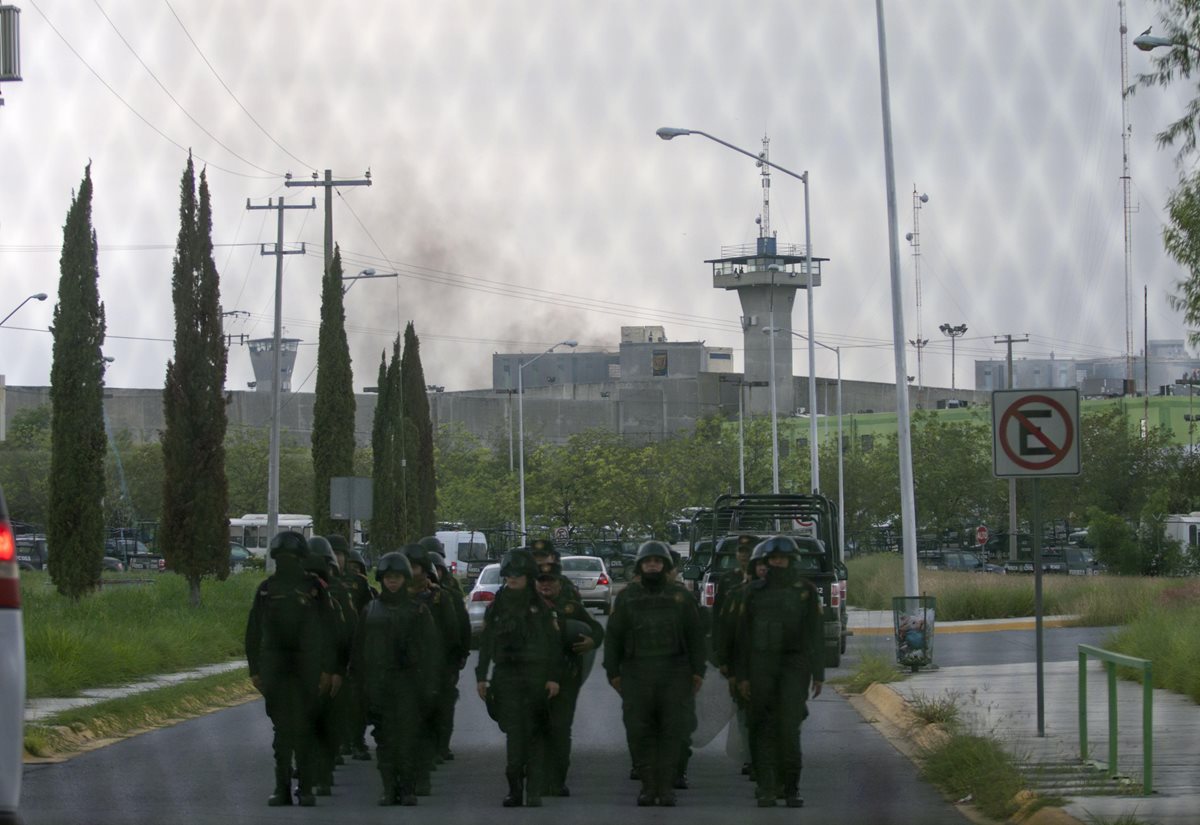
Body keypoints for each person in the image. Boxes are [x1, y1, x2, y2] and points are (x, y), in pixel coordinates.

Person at [603, 540, 706, 807]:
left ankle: (667, 786)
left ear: (665, 566)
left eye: (657, 562)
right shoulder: (627, 597)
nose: (652, 565)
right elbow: (613, 637)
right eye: (648, 562)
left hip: (675, 673)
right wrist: (613, 672)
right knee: (639, 732)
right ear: (640, 565)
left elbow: (695, 636)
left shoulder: (681, 597)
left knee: (674, 732)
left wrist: (698, 671)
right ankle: (649, 786)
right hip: (637, 674)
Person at [732, 536, 825, 808]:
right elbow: (742, 638)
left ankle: (791, 788)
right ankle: (766, 787)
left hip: (794, 667)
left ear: (792, 560)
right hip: (760, 667)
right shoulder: (753, 593)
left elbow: (815, 635)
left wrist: (818, 674)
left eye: (782, 558)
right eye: (773, 559)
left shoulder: (805, 591)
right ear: (765, 561)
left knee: (789, 729)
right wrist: (742, 676)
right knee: (761, 729)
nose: (778, 563)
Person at [244, 530, 334, 807]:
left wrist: (328, 670)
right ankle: (281, 788)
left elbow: (330, 632)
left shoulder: (315, 590)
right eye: (281, 558)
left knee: (305, 729)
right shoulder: (266, 590)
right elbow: (253, 634)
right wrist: (255, 670)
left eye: (291, 558)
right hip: (276, 670)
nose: (286, 563)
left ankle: (305, 788)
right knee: (282, 733)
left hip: (307, 668)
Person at [475, 549, 564, 807]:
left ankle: (534, 789)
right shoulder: (497, 607)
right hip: (506, 676)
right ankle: (515, 789)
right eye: (508, 575)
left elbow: (553, 646)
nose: (512, 579)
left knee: (535, 733)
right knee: (514, 734)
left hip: (535, 676)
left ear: (528, 576)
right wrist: (481, 676)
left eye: (518, 574)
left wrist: (553, 678)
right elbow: (487, 643)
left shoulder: (541, 608)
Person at [352, 551, 440, 806]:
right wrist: (359, 685)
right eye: (388, 578)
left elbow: (431, 651)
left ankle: (407, 787)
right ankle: (389, 787)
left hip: (409, 684)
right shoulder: (370, 610)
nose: (392, 582)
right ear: (381, 579)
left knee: (408, 739)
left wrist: (429, 686)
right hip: (379, 684)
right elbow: (358, 651)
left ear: (404, 579)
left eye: (397, 577)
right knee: (384, 740)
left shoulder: (418, 610)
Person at [535, 557, 603, 797]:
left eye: (550, 581)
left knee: (561, 729)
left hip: (566, 677)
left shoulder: (571, 606)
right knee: (537, 729)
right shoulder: (525, 606)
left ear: (559, 582)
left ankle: (558, 780)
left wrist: (592, 641)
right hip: (533, 678)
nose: (545, 585)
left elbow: (596, 628)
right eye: (541, 580)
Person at [401, 542, 462, 795]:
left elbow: (454, 632)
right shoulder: (391, 598)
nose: (411, 572)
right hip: (400, 671)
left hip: (432, 669)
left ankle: (423, 771)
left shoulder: (440, 597)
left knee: (429, 719)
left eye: (415, 567)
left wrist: (452, 664)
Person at [302, 536, 354, 796]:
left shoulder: (339, 592)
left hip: (331, 667)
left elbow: (347, 632)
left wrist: (339, 670)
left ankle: (324, 769)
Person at [420, 536, 471, 763]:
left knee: (445, 701)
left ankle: (442, 744)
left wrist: (462, 652)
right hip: (422, 657)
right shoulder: (414, 587)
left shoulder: (450, 590)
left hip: (446, 655)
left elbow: (461, 623)